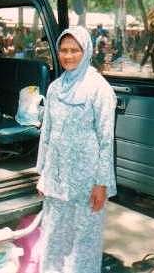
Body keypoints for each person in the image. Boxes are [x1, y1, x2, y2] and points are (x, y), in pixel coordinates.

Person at [36, 26, 117, 273]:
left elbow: (106, 141)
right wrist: (43, 175)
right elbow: (47, 134)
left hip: (87, 182)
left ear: (86, 52)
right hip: (57, 181)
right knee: (52, 240)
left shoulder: (99, 88)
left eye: (74, 50)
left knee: (83, 244)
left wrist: (101, 184)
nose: (68, 56)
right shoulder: (54, 88)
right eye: (63, 50)